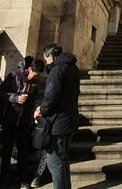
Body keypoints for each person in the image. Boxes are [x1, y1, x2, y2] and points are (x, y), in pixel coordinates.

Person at [34, 44, 80, 189]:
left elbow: (50, 97)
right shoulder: (73, 68)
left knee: (55, 163)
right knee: (63, 160)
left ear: (50, 56)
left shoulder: (57, 70)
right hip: (70, 119)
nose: (46, 62)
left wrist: (40, 110)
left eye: (46, 58)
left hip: (57, 123)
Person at [0, 56, 44, 188]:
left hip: (24, 121)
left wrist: (35, 110)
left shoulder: (35, 82)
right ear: (29, 69)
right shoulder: (14, 76)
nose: (35, 77)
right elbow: (0, 91)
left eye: (38, 75)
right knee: (7, 149)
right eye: (34, 73)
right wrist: (15, 98)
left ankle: (22, 177)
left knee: (23, 150)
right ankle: (4, 176)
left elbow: (35, 99)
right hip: (9, 119)